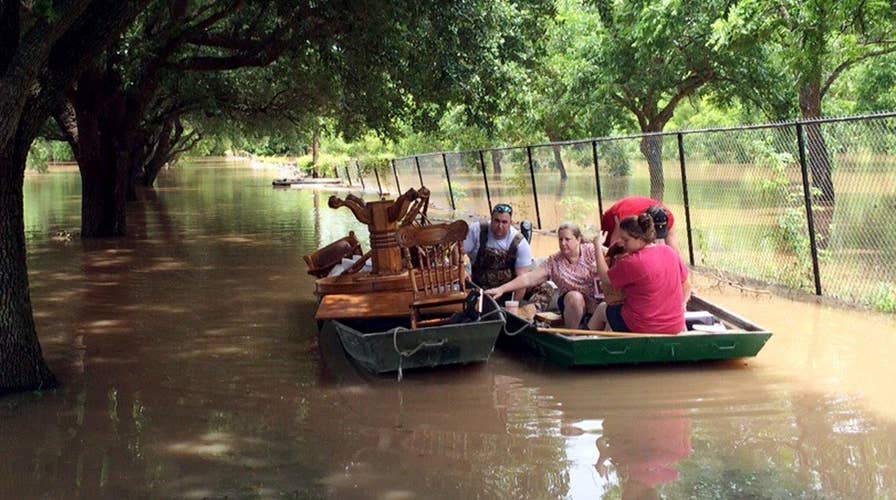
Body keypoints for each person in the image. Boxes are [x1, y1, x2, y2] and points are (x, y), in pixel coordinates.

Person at [484, 222, 599, 329]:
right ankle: (573, 335)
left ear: (578, 239)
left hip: (595, 305)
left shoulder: (591, 250)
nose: (563, 243)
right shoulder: (554, 262)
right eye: (560, 239)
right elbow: (528, 278)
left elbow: (613, 258)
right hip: (572, 306)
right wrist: (501, 289)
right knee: (575, 297)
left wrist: (601, 260)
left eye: (567, 239)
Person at [588, 214, 690, 334]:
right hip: (675, 325)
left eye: (626, 239)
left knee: (602, 309)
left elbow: (605, 278)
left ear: (640, 239)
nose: (621, 243)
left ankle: (582, 344)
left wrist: (597, 247)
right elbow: (686, 284)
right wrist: (682, 305)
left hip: (642, 327)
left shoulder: (633, 262)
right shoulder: (669, 251)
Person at [464, 203, 533, 301]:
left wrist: (514, 307)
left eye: (504, 222)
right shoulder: (477, 230)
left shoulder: (520, 243)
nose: (500, 226)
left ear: (511, 223)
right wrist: (462, 270)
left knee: (545, 288)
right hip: (478, 289)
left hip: (506, 293)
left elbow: (522, 281)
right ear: (491, 219)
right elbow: (456, 251)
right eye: (496, 221)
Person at [601, 196, 681, 256]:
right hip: (613, 218)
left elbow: (675, 252)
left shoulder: (668, 218)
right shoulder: (628, 220)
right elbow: (614, 245)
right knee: (618, 253)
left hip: (636, 210)